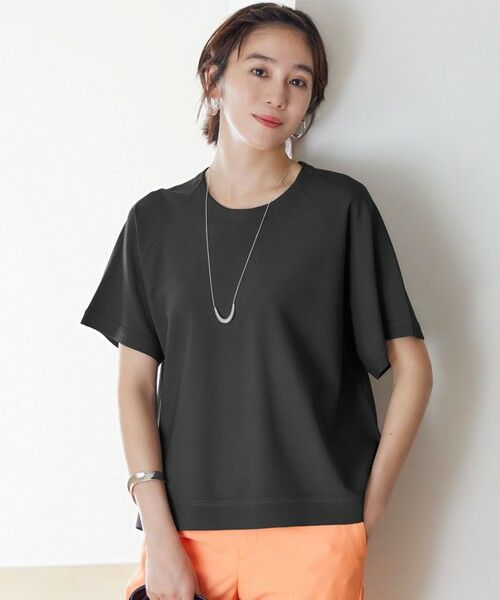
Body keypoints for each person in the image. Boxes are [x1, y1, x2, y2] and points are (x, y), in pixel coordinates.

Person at [80, 3, 433, 599]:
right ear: (214, 79)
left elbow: (414, 368)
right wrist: (160, 535)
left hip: (315, 533)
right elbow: (135, 386)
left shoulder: (340, 209)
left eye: (299, 81)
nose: (278, 95)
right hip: (185, 533)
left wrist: (367, 512)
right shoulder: (154, 222)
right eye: (260, 71)